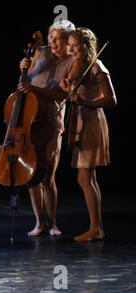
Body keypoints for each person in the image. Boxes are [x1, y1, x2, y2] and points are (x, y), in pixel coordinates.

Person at [18, 20, 76, 237]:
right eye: (51, 37)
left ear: (67, 41)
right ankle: (38, 223)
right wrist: (24, 69)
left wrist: (35, 89)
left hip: (51, 121)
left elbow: (64, 96)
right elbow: (23, 85)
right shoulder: (39, 52)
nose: (52, 42)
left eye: (58, 38)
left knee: (48, 176)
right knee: (33, 176)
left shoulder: (71, 62)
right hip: (30, 120)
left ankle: (52, 223)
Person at [60, 28, 116, 242]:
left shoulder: (96, 67)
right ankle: (96, 228)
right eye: (70, 45)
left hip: (92, 121)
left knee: (85, 177)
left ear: (86, 46)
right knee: (87, 178)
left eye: (75, 45)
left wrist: (84, 102)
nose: (71, 49)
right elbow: (76, 95)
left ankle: (96, 228)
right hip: (79, 121)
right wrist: (68, 89)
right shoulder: (78, 65)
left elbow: (112, 99)